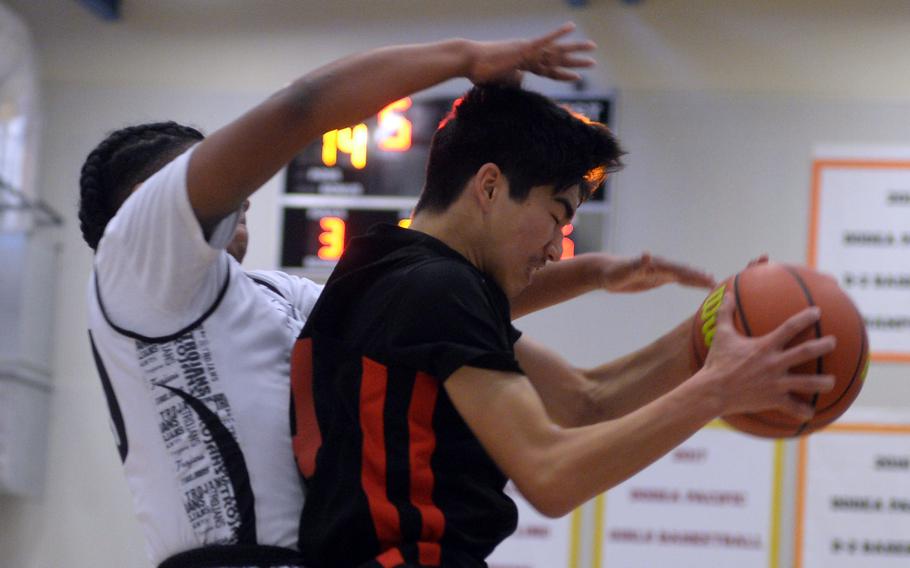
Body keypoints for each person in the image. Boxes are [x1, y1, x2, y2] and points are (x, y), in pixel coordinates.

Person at [79, 24, 713, 568]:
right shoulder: (137, 267)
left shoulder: (266, 291)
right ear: (144, 209)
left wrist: (593, 271)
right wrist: (466, 56)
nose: (240, 185)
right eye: (214, 169)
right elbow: (302, 107)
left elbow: (405, 313)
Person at [291, 84, 837, 568]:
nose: (556, 249)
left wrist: (705, 336)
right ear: (489, 187)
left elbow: (585, 402)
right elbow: (552, 475)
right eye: (556, 216)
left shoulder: (375, 265)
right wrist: (718, 389)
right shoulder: (440, 291)